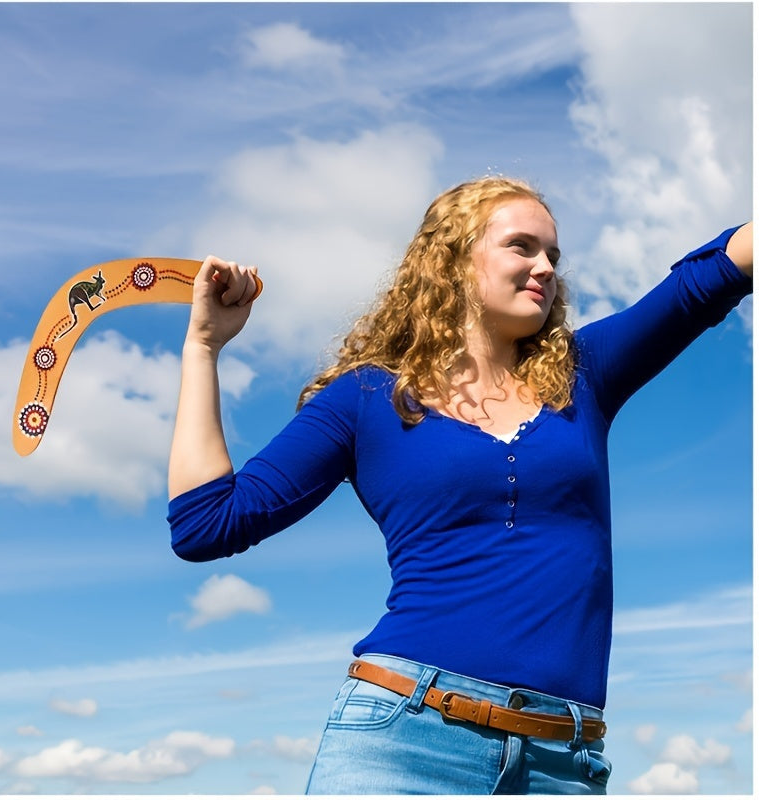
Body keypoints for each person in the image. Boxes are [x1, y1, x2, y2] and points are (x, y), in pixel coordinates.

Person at [167, 177, 753, 795]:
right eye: (521, 247)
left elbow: (706, 281)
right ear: (452, 258)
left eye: (553, 255)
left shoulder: (585, 377)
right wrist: (202, 347)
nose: (545, 268)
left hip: (562, 763)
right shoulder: (366, 398)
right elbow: (206, 524)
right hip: (403, 740)